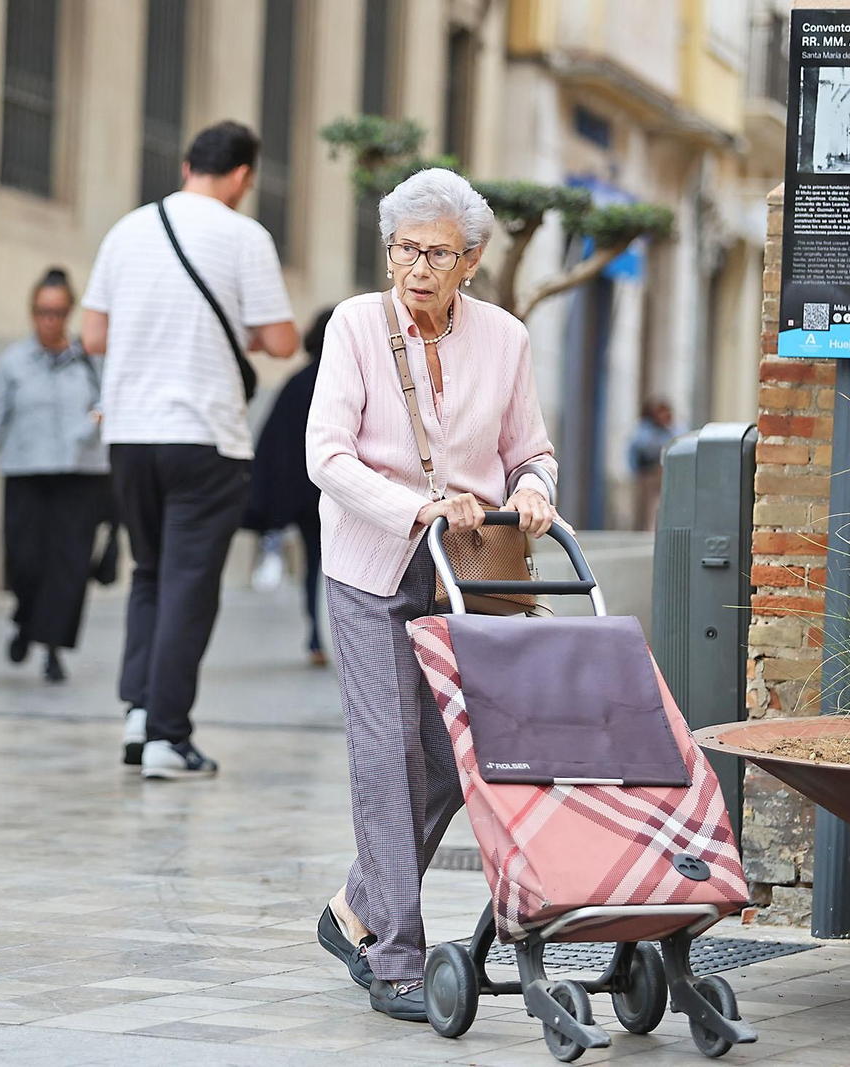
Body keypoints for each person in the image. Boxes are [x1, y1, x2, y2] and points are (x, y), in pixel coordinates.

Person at [305, 168, 560, 1021]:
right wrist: (413, 507)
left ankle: (357, 907)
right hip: (372, 561)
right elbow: (327, 456)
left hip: (475, 568)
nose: (417, 267)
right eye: (404, 249)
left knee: (461, 753)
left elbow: (532, 450)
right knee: (389, 752)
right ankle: (397, 956)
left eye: (437, 253)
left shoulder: (505, 339)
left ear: (472, 260)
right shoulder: (352, 326)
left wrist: (533, 491)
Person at [81, 120, 299, 780]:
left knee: (150, 572)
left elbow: (93, 335)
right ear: (241, 176)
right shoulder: (245, 237)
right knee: (188, 584)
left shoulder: (127, 230)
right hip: (205, 436)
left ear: (184, 166)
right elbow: (285, 341)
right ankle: (168, 739)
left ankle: (141, 715)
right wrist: (240, 332)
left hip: (129, 434)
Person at [0, 268, 110, 684]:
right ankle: (25, 619)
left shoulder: (91, 361)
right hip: (26, 474)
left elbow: (113, 401)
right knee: (25, 561)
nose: (50, 321)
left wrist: (99, 416)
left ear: (69, 312)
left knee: (70, 567)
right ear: (32, 312)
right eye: (42, 312)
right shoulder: (13, 363)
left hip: (81, 475)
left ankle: (53, 649)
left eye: (58, 312)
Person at [241, 307, 336, 667]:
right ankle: (328, 636)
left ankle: (316, 636)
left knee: (315, 565)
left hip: (303, 495)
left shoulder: (297, 382)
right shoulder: (343, 382)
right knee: (333, 566)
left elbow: (273, 443)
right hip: (338, 496)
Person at [628, 397, 678, 531]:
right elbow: (643, 446)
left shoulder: (672, 428)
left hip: (663, 471)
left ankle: (655, 528)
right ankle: (644, 529)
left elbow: (677, 442)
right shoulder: (646, 429)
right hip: (647, 472)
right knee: (645, 503)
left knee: (660, 502)